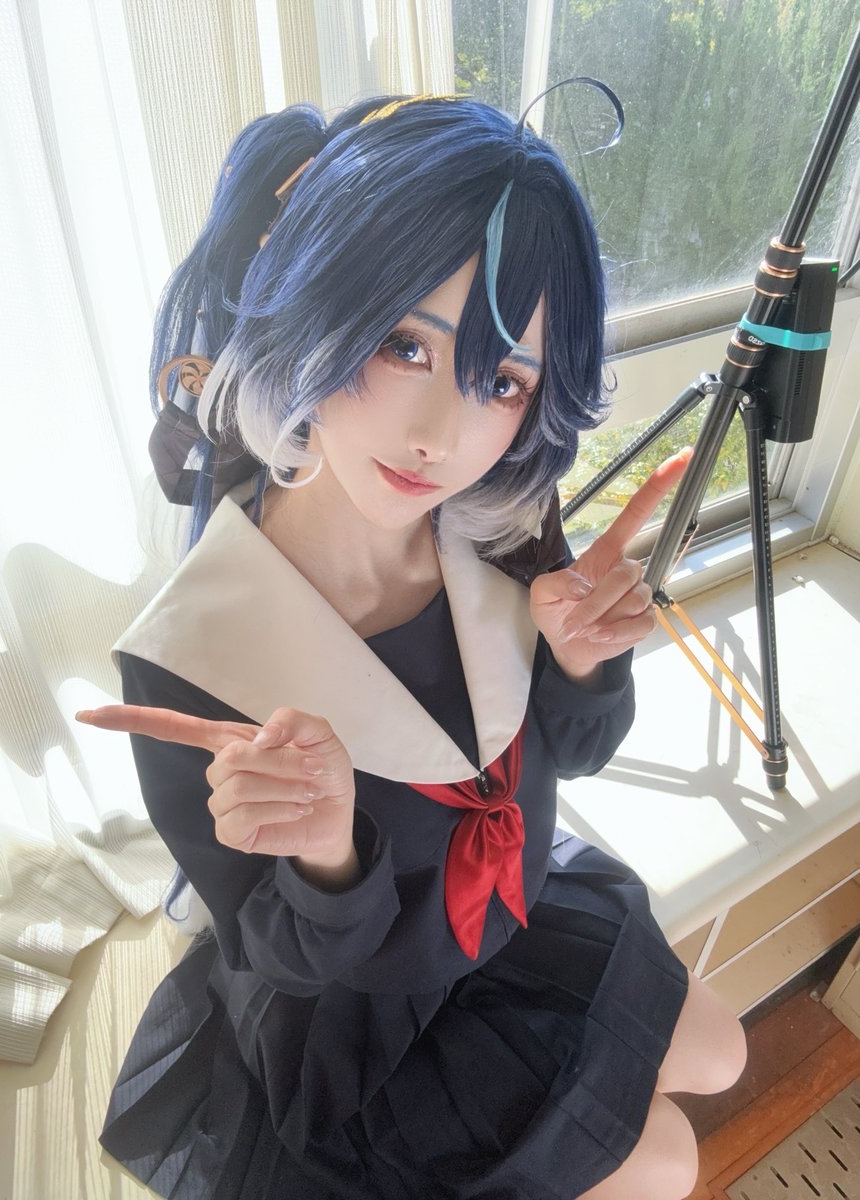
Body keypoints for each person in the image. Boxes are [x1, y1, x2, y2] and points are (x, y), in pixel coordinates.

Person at [78, 93, 746, 1200]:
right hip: (364, 1019)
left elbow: (573, 754)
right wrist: (328, 855)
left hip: (509, 916)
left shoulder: (503, 523)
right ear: (313, 306)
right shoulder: (192, 657)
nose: (442, 435)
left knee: (725, 1057)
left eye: (502, 380)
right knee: (668, 1163)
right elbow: (286, 952)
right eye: (402, 344)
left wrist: (584, 660)